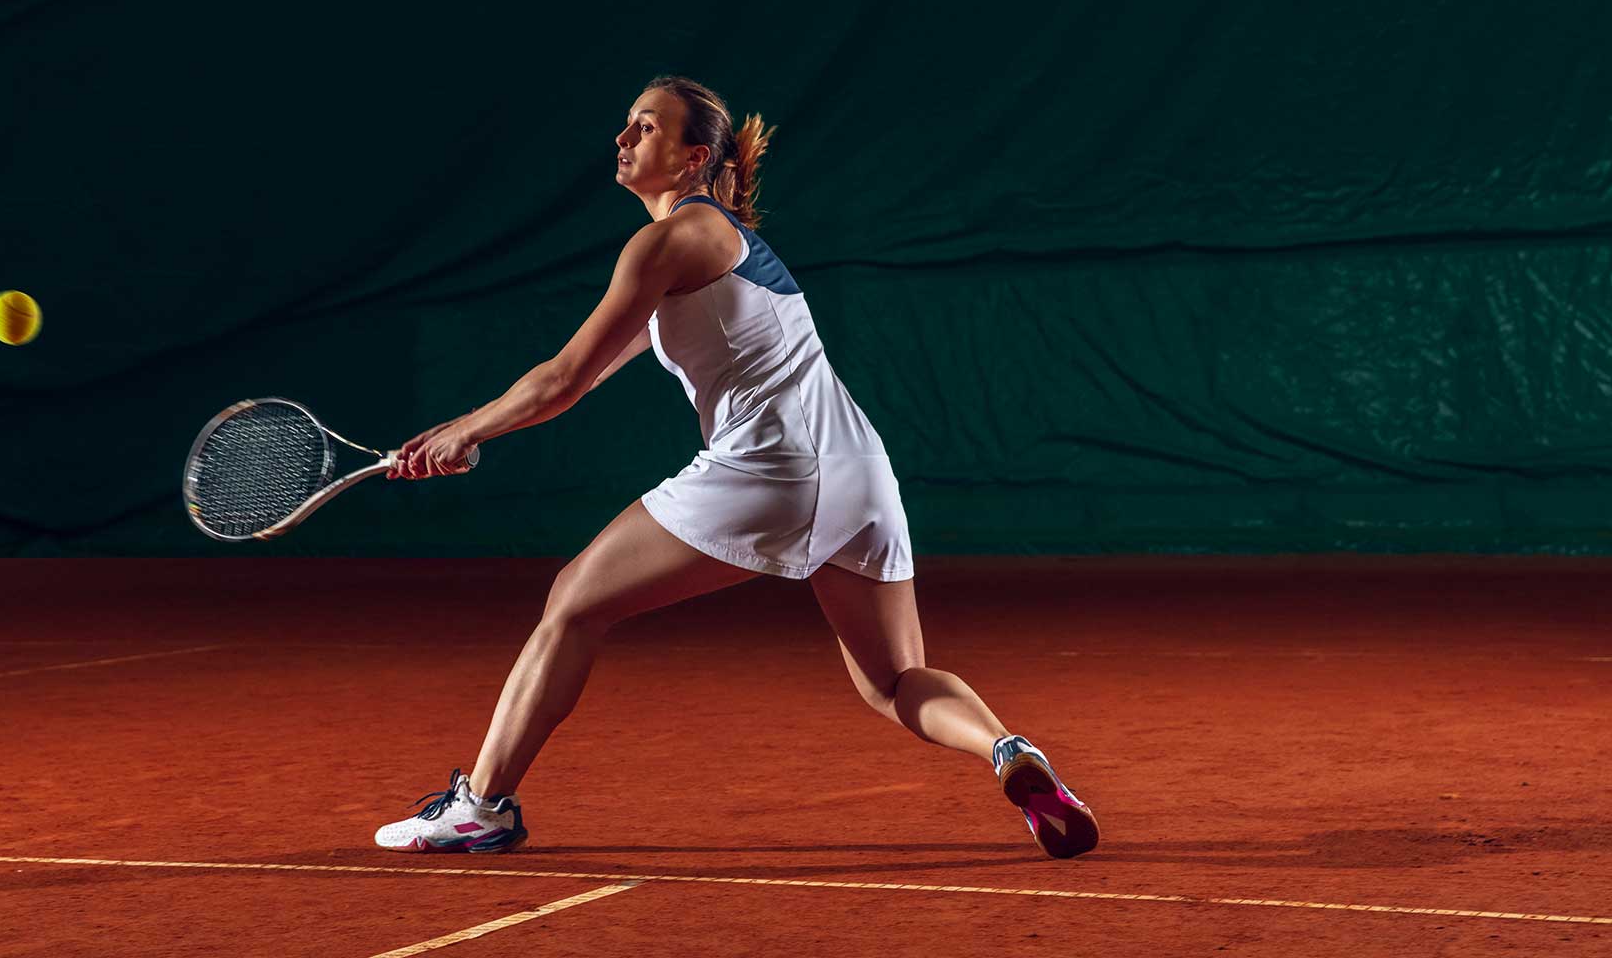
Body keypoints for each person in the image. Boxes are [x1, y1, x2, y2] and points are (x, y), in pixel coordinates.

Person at [373, 75, 1099, 859]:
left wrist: (469, 432)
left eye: (644, 128)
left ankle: (482, 808)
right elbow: (571, 378)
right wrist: (460, 432)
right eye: (626, 126)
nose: (622, 140)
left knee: (573, 602)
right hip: (860, 471)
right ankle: (1007, 751)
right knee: (894, 682)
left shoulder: (669, 240)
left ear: (692, 159)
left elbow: (562, 378)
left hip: (772, 467)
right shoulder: (717, 246)